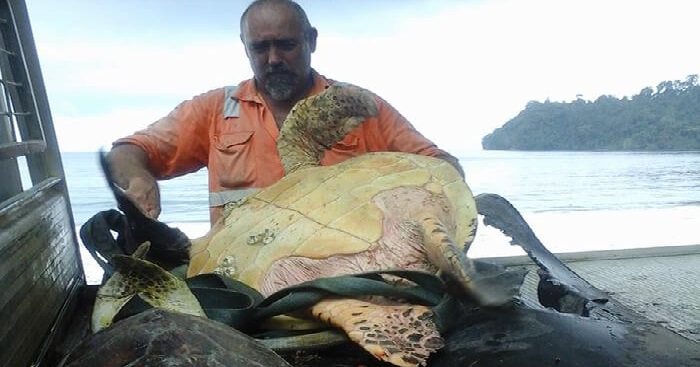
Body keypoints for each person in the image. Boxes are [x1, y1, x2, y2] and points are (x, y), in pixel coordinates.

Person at [106, 0, 464, 225]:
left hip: (345, 268)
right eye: (260, 47)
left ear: (312, 40)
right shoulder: (214, 110)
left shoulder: (359, 107)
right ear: (245, 48)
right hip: (243, 275)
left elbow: (439, 165)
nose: (274, 58)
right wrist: (138, 179)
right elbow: (128, 151)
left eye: (286, 45)